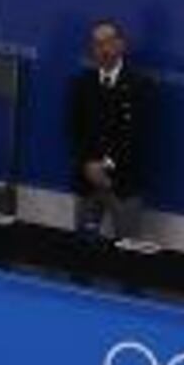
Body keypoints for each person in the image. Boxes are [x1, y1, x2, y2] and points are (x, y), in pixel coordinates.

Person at [66, 18, 144, 246]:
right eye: (98, 44)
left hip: (124, 184)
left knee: (128, 258)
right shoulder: (81, 84)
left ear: (121, 45)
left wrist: (107, 165)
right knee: (81, 254)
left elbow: (137, 136)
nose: (103, 49)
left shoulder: (140, 86)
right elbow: (73, 131)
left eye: (109, 42)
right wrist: (87, 165)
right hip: (87, 181)